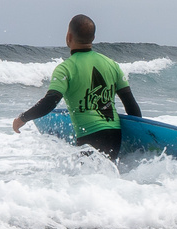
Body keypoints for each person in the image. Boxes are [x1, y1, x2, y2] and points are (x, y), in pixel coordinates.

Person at [11, 14, 142, 159]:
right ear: (93, 37)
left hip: (90, 138)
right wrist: (139, 139)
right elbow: (131, 106)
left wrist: (22, 118)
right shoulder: (112, 65)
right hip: (115, 136)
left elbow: (50, 102)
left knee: (85, 180)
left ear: (68, 36)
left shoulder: (65, 69)